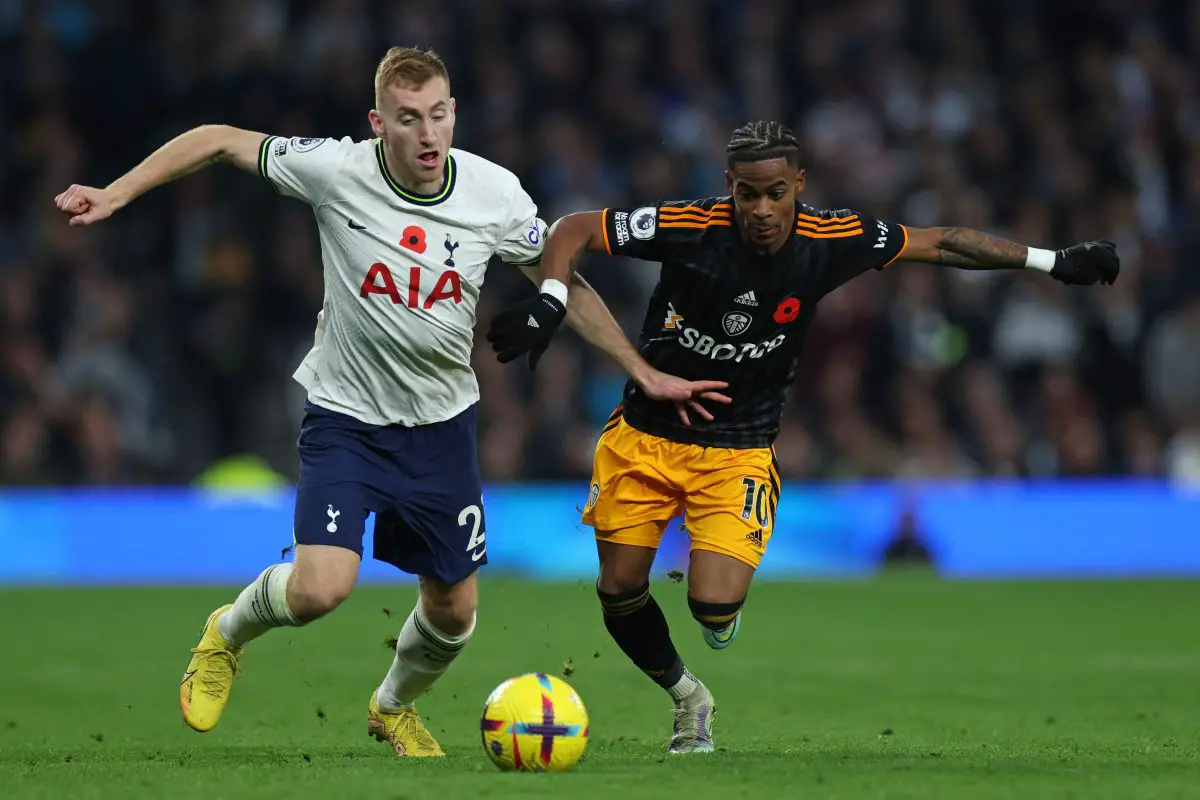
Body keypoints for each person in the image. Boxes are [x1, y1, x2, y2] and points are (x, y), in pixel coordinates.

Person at [54, 47, 729, 757]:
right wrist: (118, 192)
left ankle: (390, 706)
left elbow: (564, 279)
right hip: (346, 416)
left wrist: (641, 369)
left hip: (441, 426)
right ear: (379, 123)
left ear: (454, 113)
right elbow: (218, 140)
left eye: (439, 115)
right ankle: (225, 634)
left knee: (455, 610)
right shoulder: (337, 171)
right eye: (409, 120)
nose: (429, 135)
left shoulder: (493, 194)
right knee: (320, 590)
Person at [486, 120, 1119, 753]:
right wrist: (548, 300)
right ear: (729, 187)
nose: (763, 210)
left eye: (777, 193)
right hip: (644, 437)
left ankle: (721, 599)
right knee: (620, 590)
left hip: (738, 448)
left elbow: (942, 244)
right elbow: (573, 229)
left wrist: (1052, 261)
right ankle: (688, 698)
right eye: (748, 194)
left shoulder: (832, 237)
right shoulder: (689, 226)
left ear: (799, 186)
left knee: (713, 606)